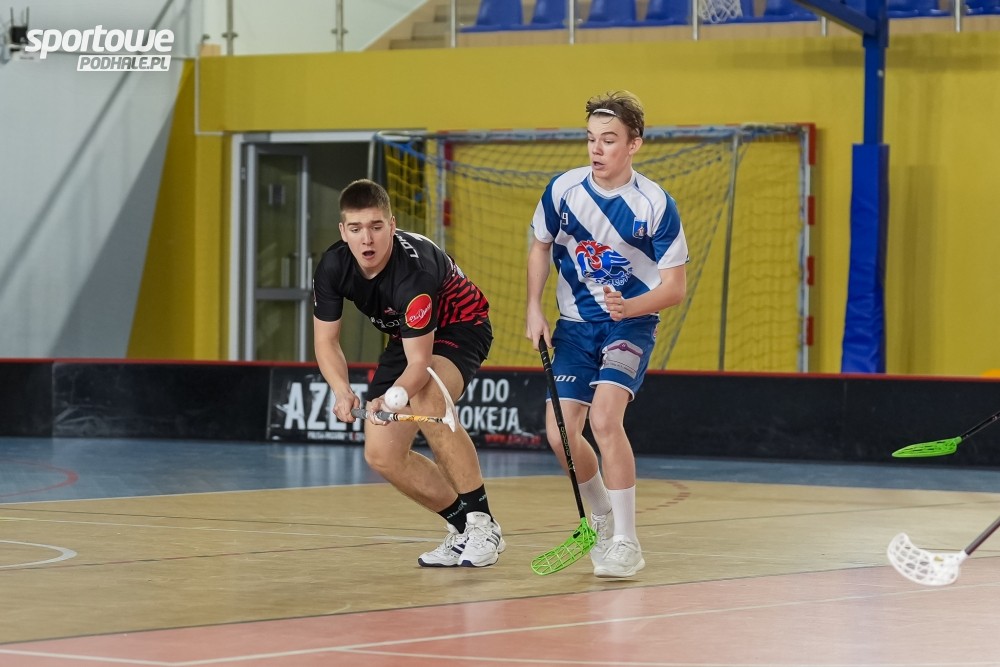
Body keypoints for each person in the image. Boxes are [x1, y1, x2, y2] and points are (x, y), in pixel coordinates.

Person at [525, 91, 688, 578]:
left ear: (634, 144)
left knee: (604, 420)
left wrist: (630, 306)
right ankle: (599, 514)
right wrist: (533, 307)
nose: (597, 149)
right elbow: (540, 246)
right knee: (558, 432)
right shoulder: (563, 190)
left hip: (631, 324)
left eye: (609, 140)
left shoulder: (654, 204)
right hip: (574, 327)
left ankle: (627, 542)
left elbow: (675, 288)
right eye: (591, 138)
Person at [313, 178, 504, 568]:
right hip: (407, 336)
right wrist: (341, 390)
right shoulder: (333, 265)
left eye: (376, 226)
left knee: (427, 397)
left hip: (461, 326)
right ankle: (462, 529)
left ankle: (484, 525)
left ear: (392, 225)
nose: (367, 239)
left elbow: (419, 365)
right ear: (343, 231)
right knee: (381, 454)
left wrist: (392, 397)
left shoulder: (412, 274)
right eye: (356, 229)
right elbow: (326, 341)